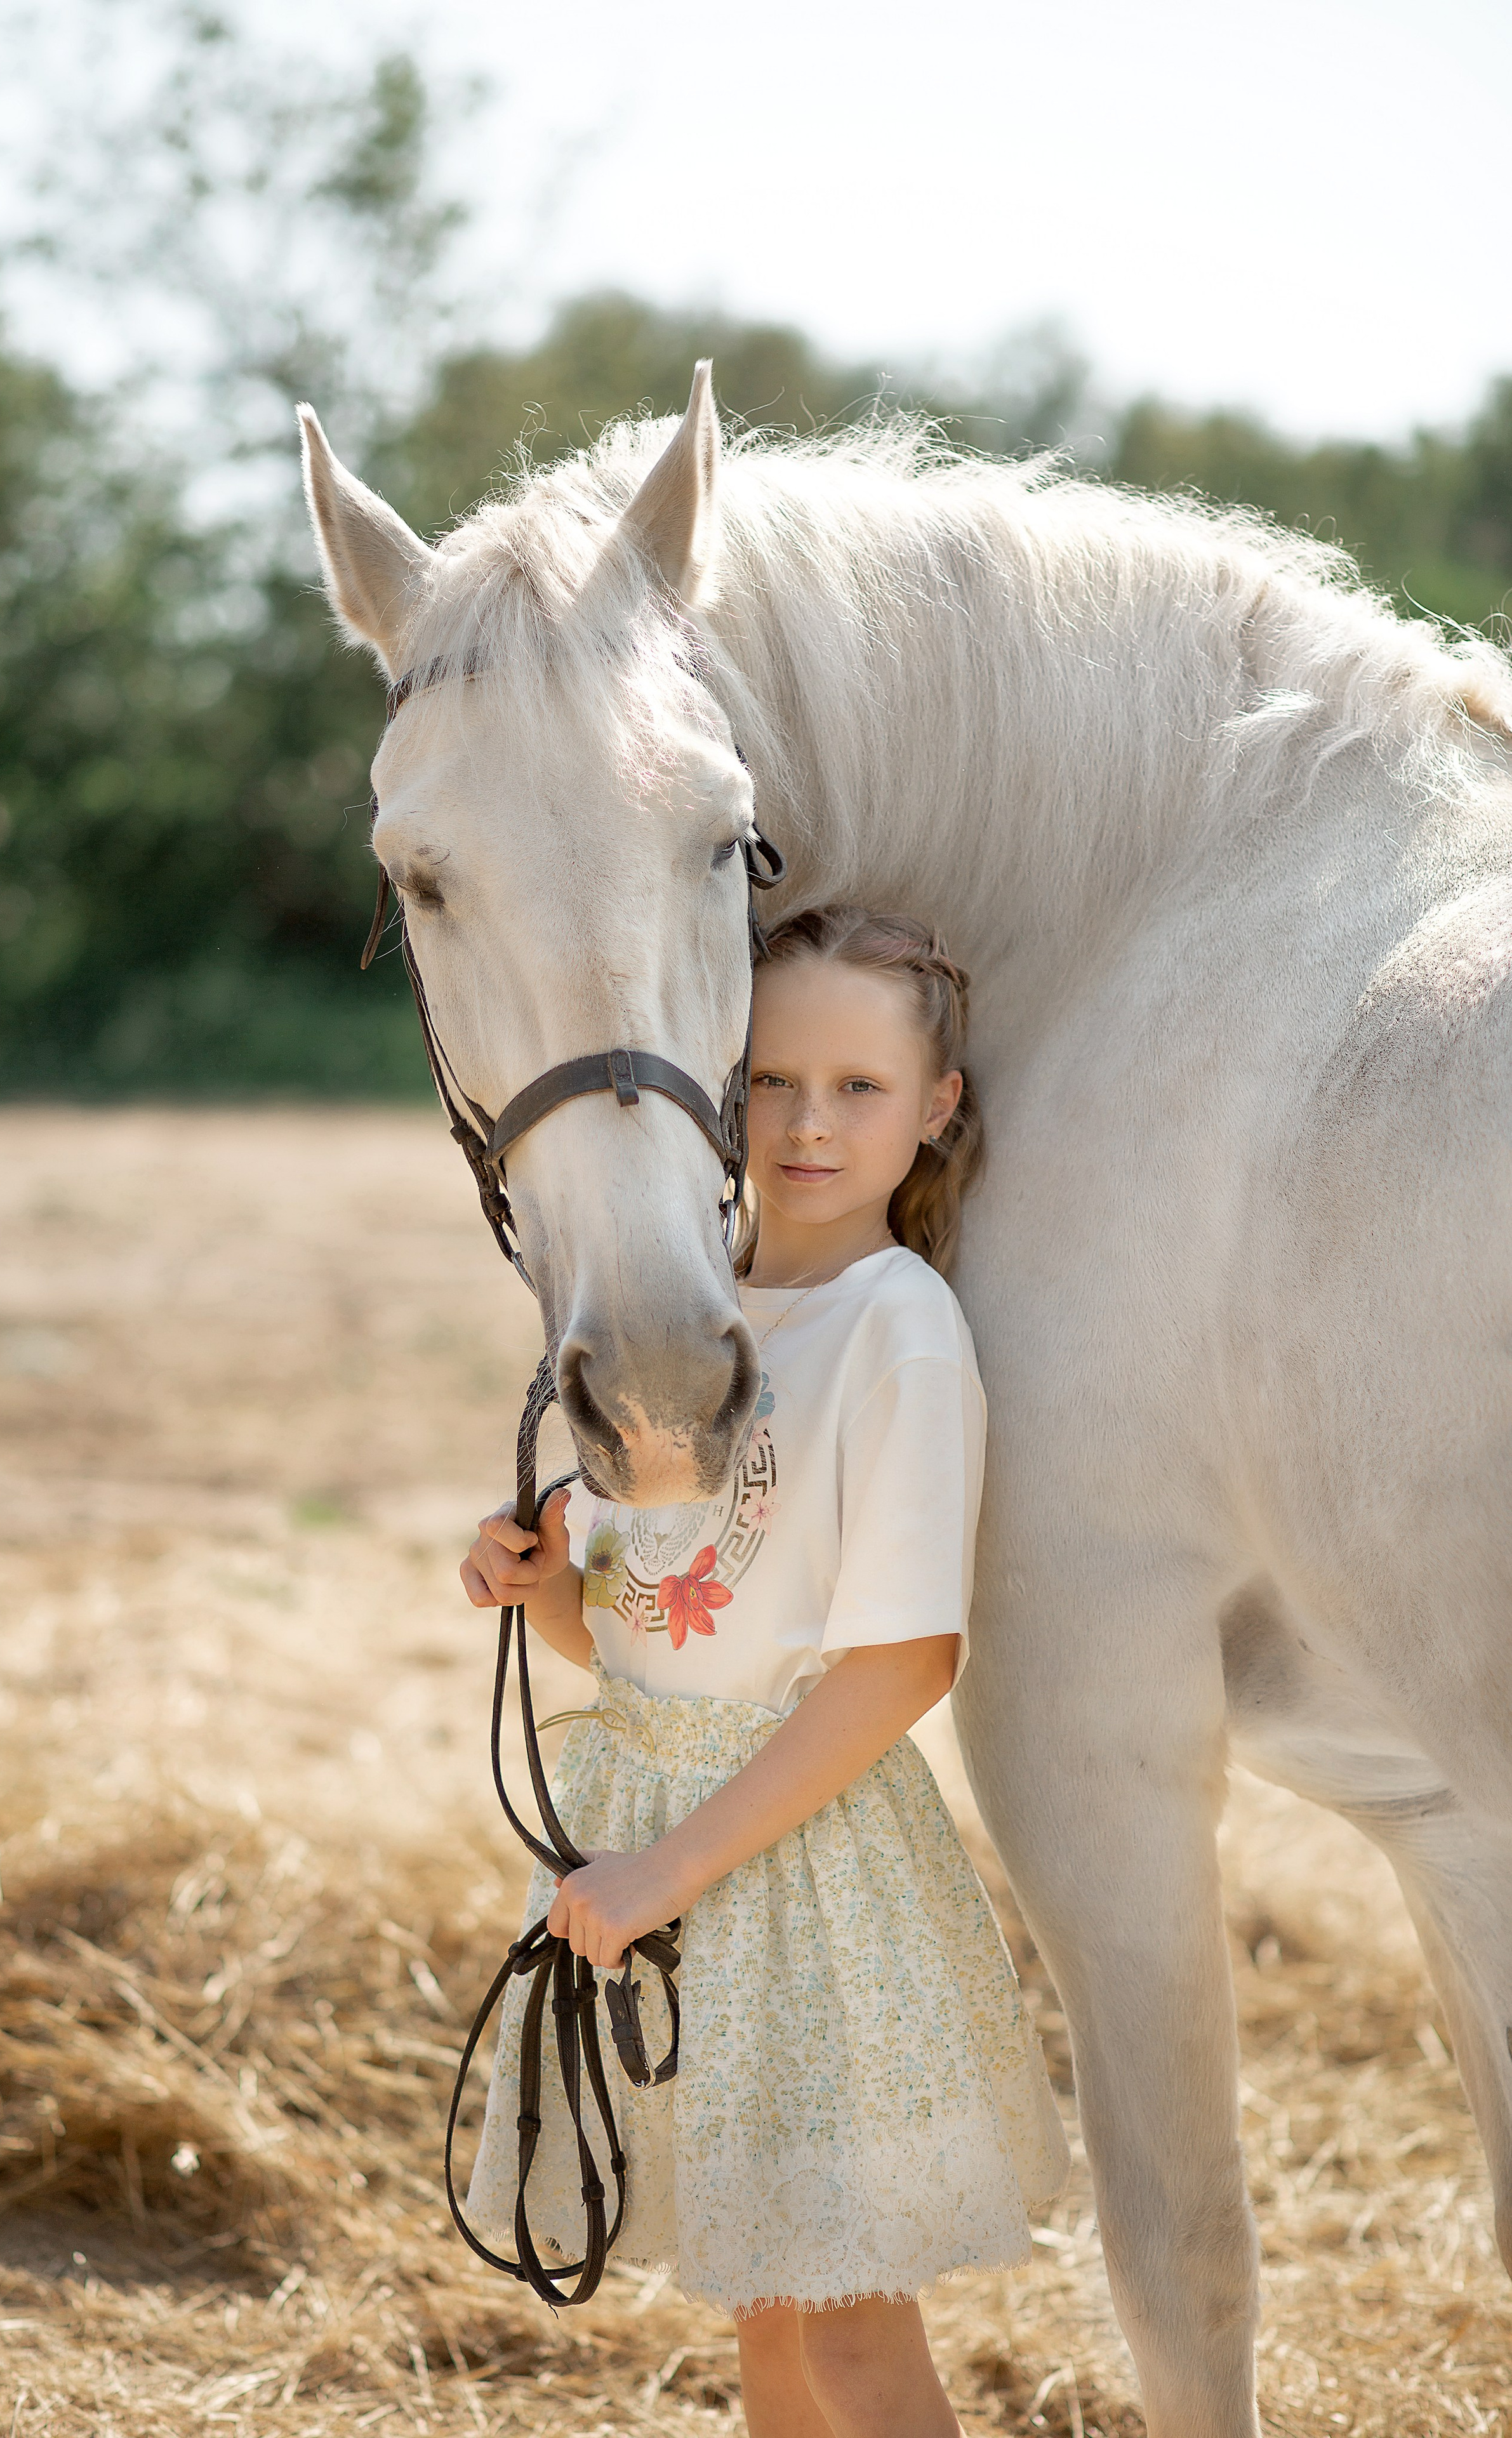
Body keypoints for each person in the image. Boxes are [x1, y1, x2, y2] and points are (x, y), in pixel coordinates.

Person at [460, 904, 1068, 2438]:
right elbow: (649, 1617)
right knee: (769, 2331)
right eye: (773, 1080)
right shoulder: (685, 1320)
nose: (805, 1122)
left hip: (791, 1882)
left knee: (853, 2338)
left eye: (858, 1088)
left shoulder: (898, 1331)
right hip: (659, 1862)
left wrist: (666, 1867)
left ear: (934, 1107)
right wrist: (544, 1588)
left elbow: (901, 1661)